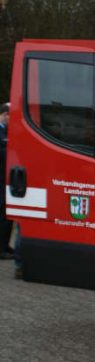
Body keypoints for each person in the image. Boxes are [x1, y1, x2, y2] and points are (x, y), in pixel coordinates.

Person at [0, 102, 13, 259]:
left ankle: (5, 245)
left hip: (6, 179)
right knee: (3, 214)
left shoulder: (6, 131)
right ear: (6, 114)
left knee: (8, 213)